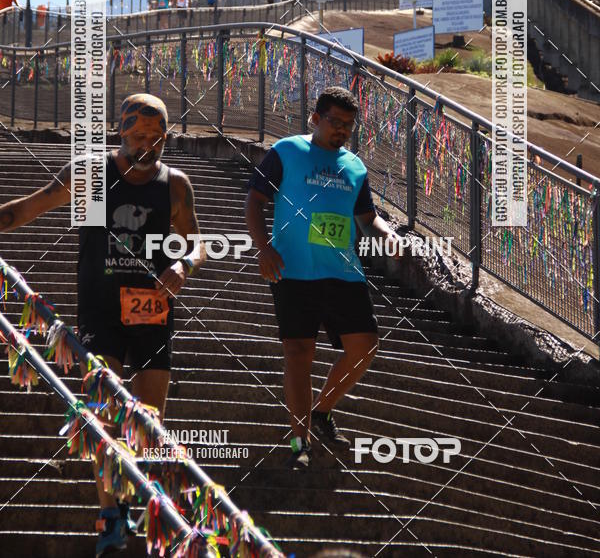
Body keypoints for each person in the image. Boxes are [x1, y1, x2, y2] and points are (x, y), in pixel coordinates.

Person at [0, 93, 207, 554]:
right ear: (120, 131)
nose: (147, 145)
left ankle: (143, 502)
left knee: (149, 420)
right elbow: (27, 209)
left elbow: (197, 243)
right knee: (103, 411)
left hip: (152, 309)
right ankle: (111, 512)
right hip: (101, 309)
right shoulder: (94, 175)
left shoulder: (175, 185)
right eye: (139, 135)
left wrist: (183, 265)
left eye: (157, 138)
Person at [245, 86, 402, 469]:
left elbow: (367, 218)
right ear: (315, 119)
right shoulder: (287, 151)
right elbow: (254, 199)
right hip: (293, 270)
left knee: (364, 346)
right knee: (299, 353)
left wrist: (388, 234)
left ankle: (322, 409)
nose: (342, 130)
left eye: (349, 124)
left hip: (342, 272)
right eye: (335, 122)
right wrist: (264, 249)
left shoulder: (355, 167)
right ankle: (300, 441)